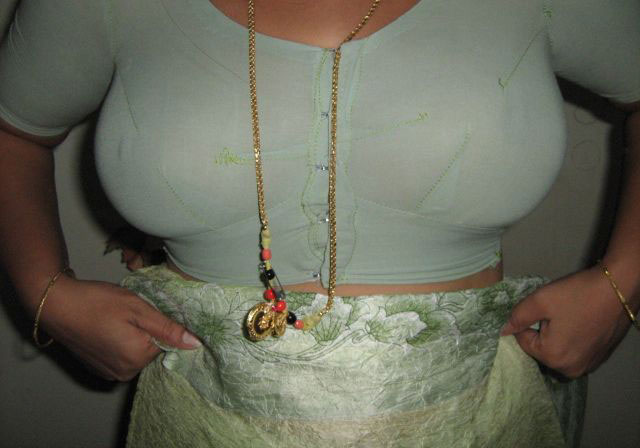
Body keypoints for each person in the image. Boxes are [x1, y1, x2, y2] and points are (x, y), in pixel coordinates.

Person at [0, 0, 638, 446]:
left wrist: (624, 282)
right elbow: (15, 130)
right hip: (203, 420)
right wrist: (43, 291)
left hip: (477, 420)